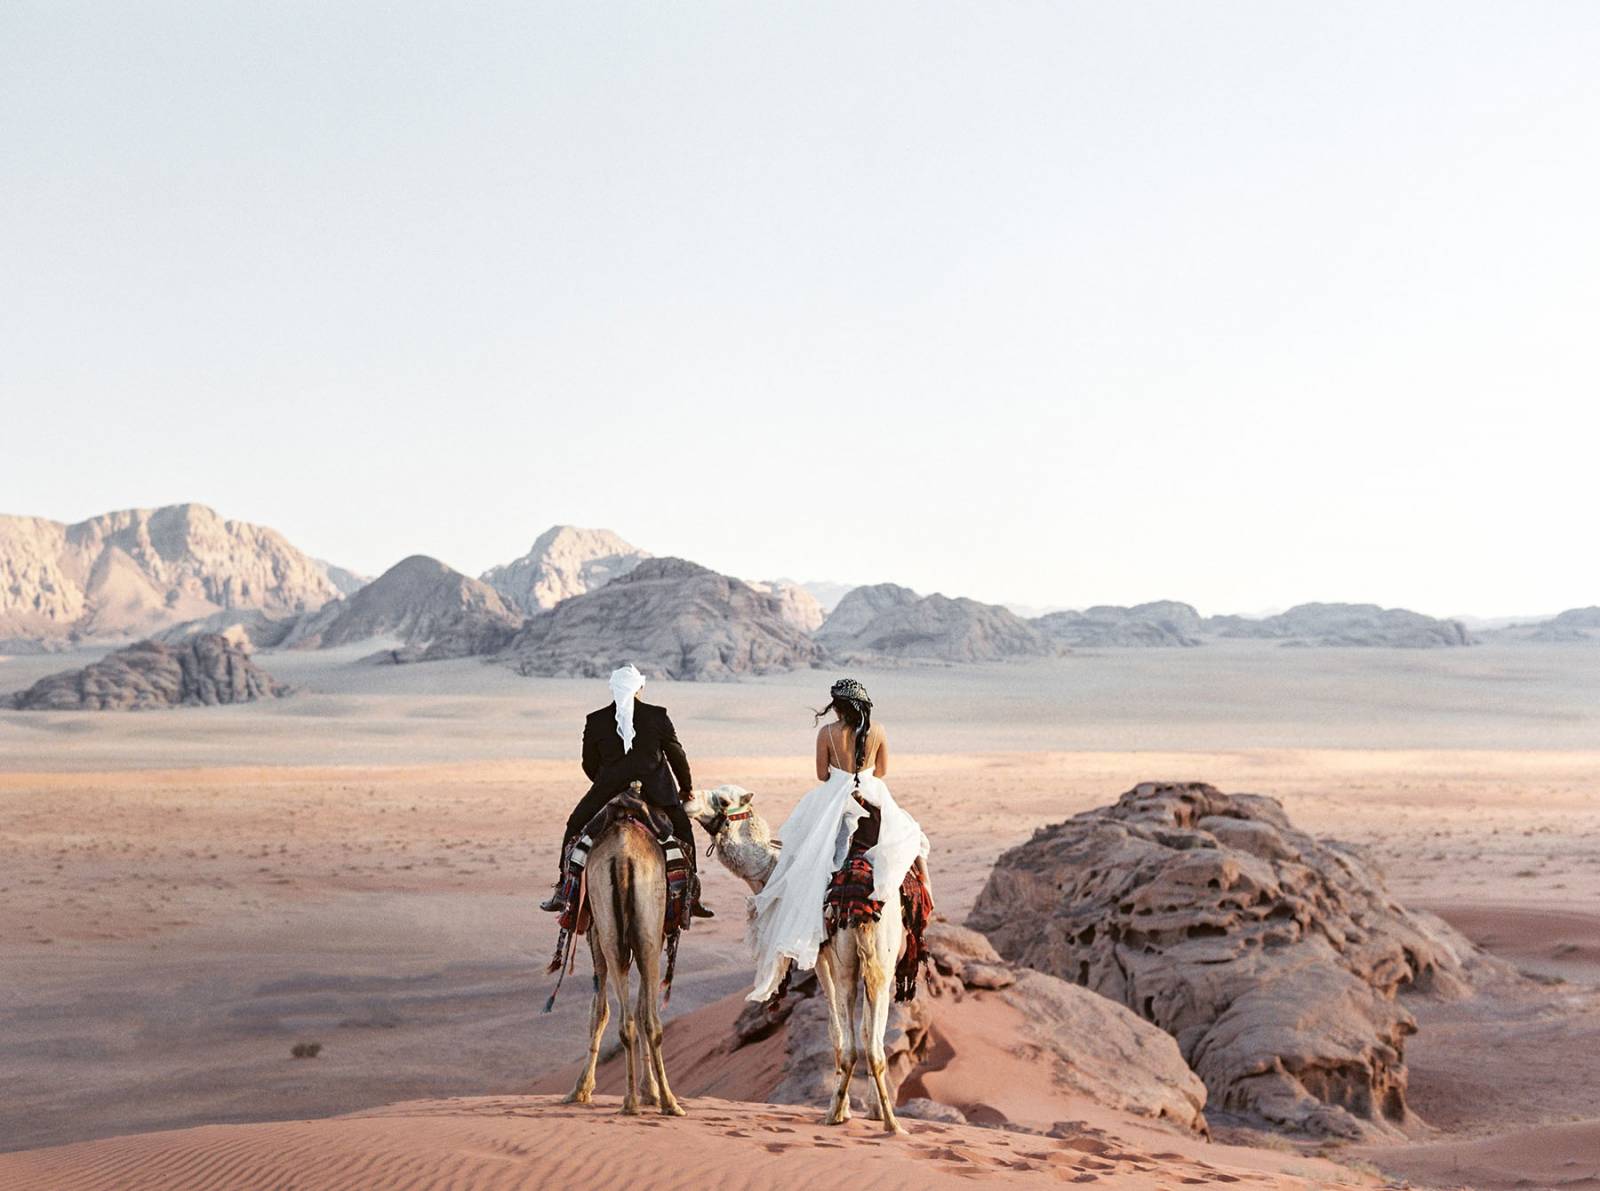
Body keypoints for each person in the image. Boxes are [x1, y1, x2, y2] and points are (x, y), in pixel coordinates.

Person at [745, 677, 929, 1002]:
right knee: (911, 843)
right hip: (873, 796)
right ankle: (925, 891)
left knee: (805, 859)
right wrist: (864, 776)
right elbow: (883, 770)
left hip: (834, 801)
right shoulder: (878, 731)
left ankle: (814, 926)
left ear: (837, 705)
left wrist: (841, 777)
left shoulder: (826, 733)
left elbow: (820, 774)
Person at [539, 664, 712, 917]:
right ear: (640, 688)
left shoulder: (595, 720)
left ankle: (564, 886)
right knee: (683, 830)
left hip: (609, 792)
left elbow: (588, 763)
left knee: (574, 826)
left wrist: (605, 783)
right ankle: (691, 892)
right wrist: (686, 788)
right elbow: (677, 755)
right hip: (657, 793)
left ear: (613, 688)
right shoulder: (658, 716)